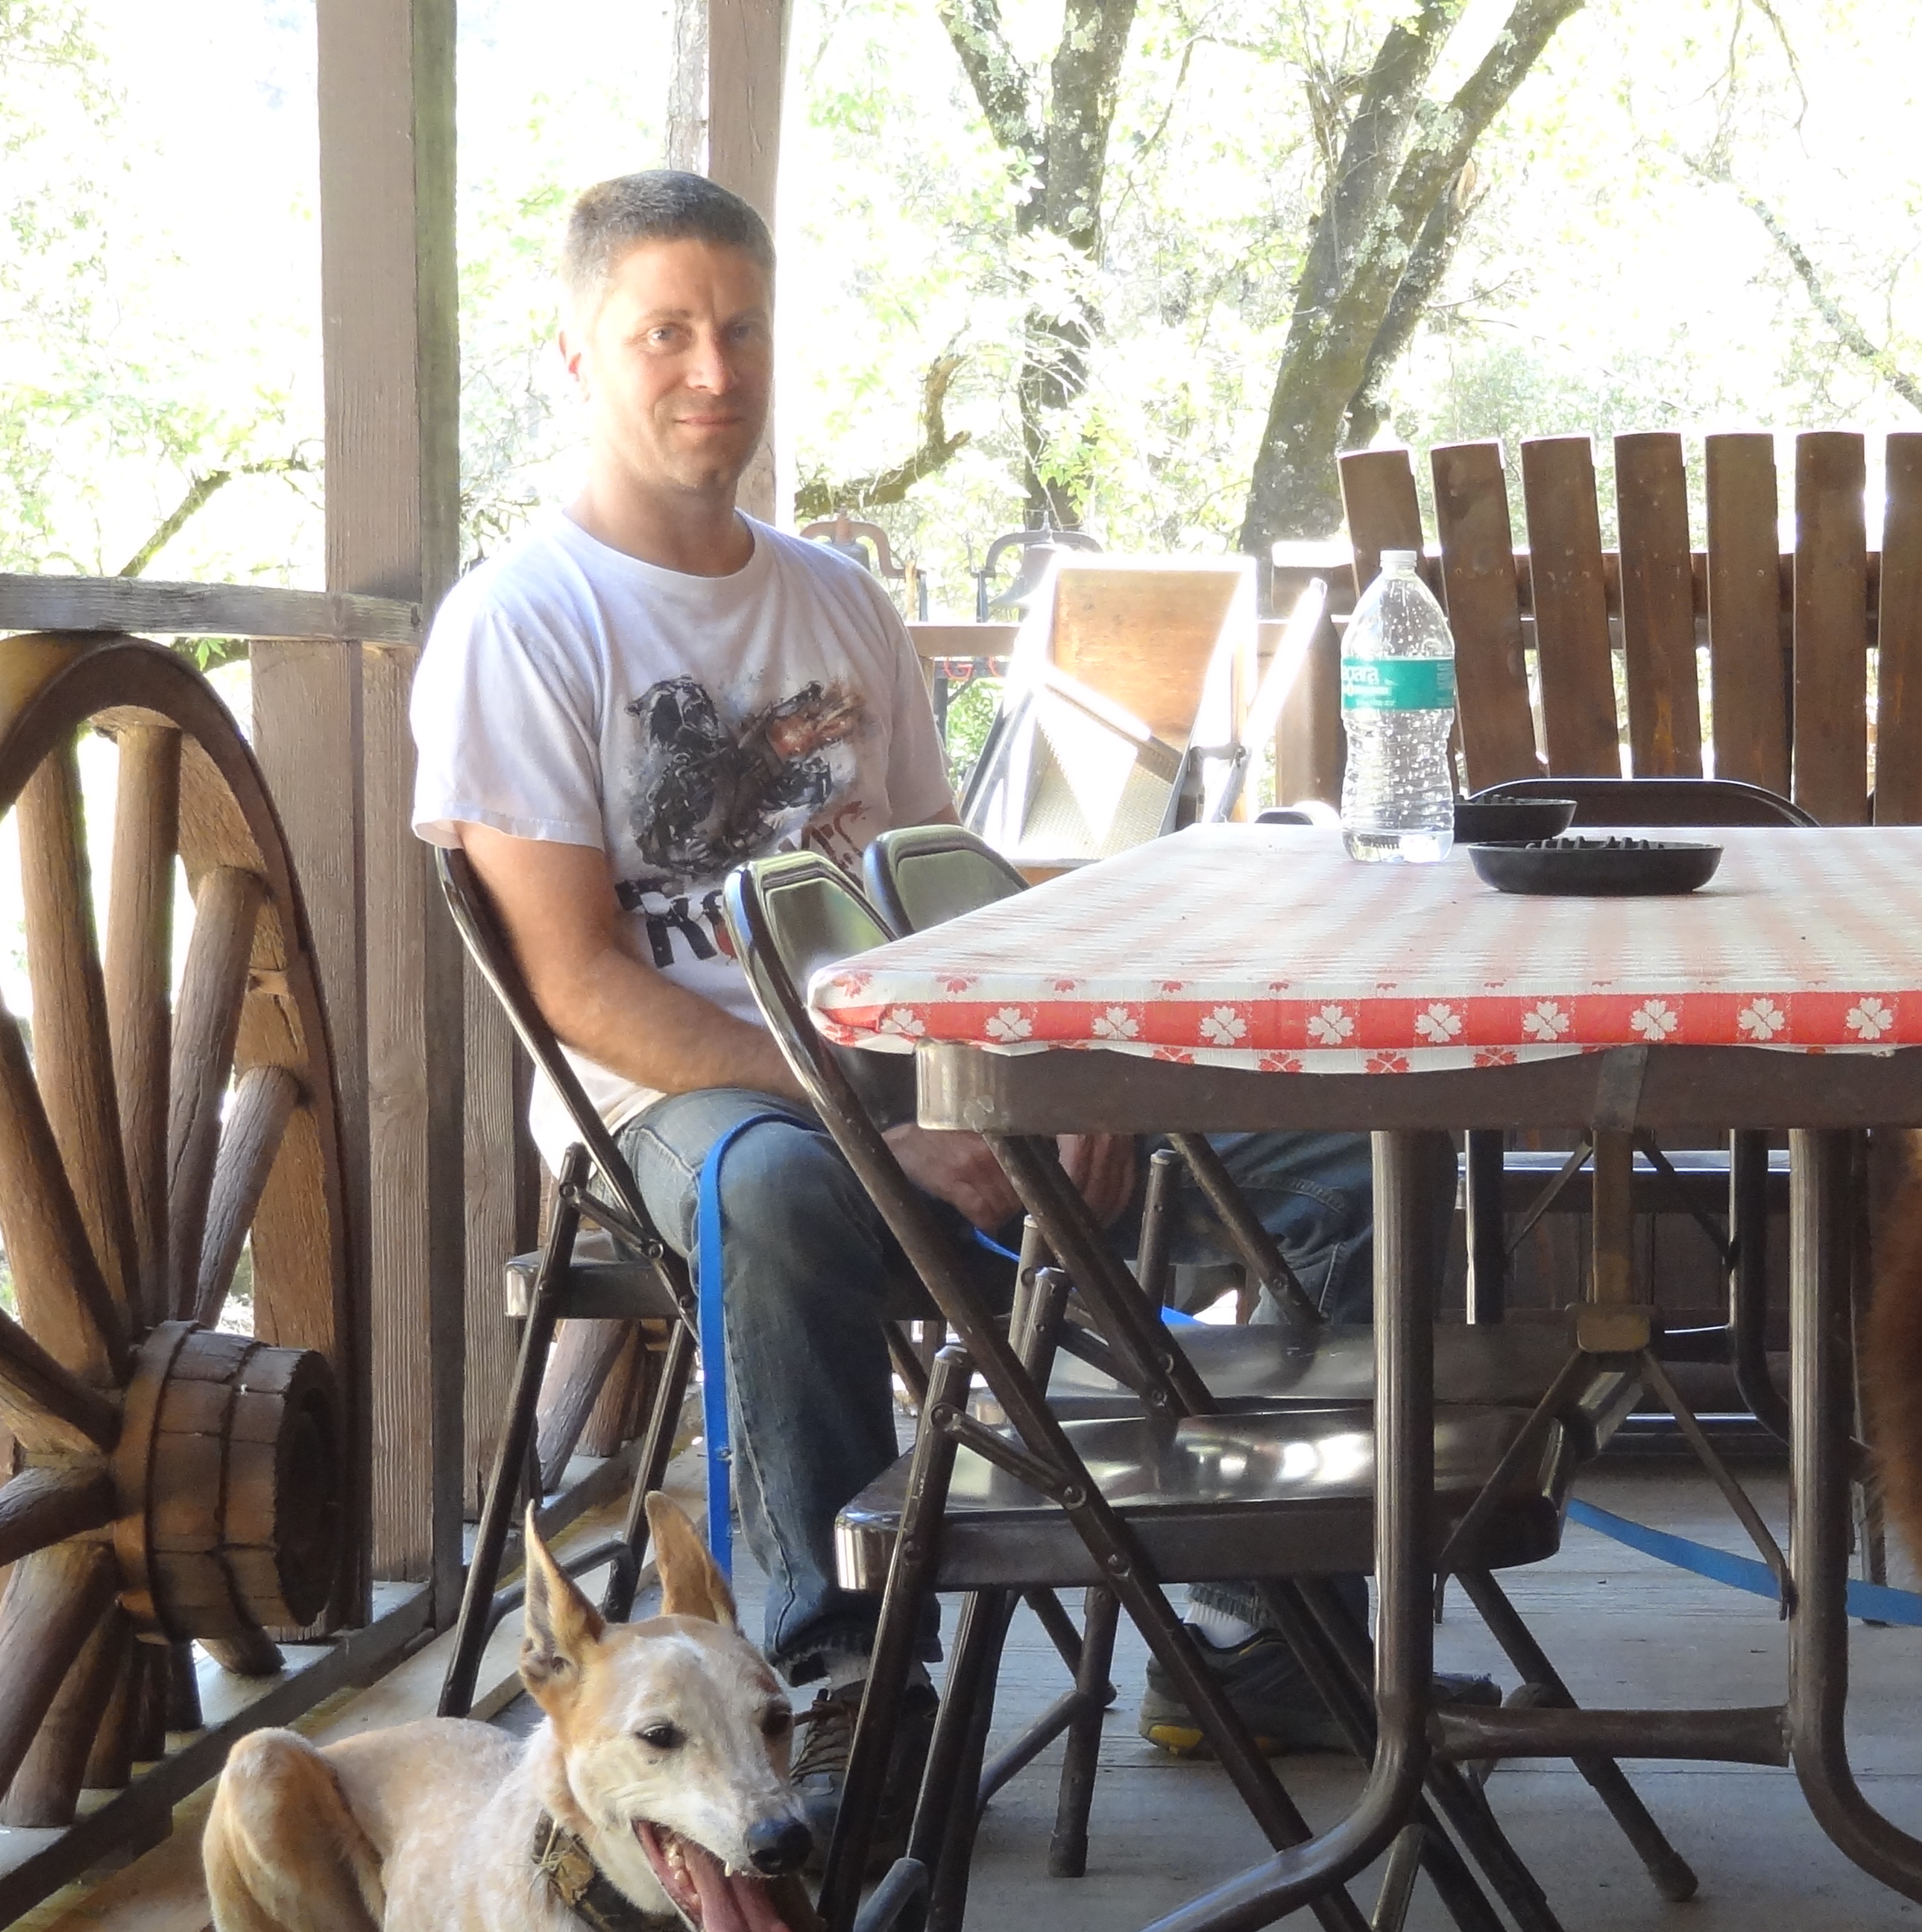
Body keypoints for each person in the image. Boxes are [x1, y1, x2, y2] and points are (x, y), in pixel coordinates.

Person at [406, 169, 1460, 1787]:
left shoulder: (834, 599)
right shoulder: (522, 623)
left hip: (916, 1067)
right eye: (664, 333)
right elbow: (580, 988)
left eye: (742, 329)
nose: (713, 370)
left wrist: (1049, 1075)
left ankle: (1276, 1632)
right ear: (575, 357)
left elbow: (939, 910)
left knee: (1348, 1156)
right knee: (779, 1192)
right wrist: (882, 1127)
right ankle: (833, 1692)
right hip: (684, 1102)